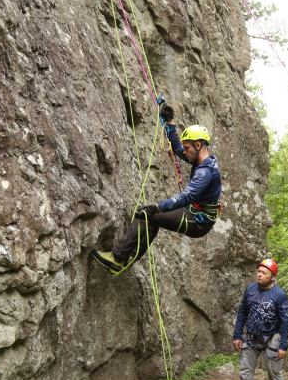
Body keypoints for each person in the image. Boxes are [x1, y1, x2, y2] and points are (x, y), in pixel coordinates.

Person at [90, 101, 221, 274]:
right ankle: (123, 260)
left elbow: (186, 197)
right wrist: (170, 122)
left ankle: (118, 258)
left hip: (198, 221)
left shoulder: (206, 172)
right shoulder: (198, 159)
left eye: (188, 148)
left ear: (198, 146)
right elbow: (177, 147)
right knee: (151, 218)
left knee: (149, 214)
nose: (185, 151)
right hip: (195, 215)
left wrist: (157, 207)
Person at [231, 259, 288, 380]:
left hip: (273, 336)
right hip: (252, 335)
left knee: (274, 372)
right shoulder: (250, 289)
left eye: (264, 273)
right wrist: (237, 335)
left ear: (272, 277)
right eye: (259, 271)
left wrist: (283, 346)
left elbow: (286, 322)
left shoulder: (280, 295)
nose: (259, 274)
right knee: (245, 370)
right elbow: (242, 311)